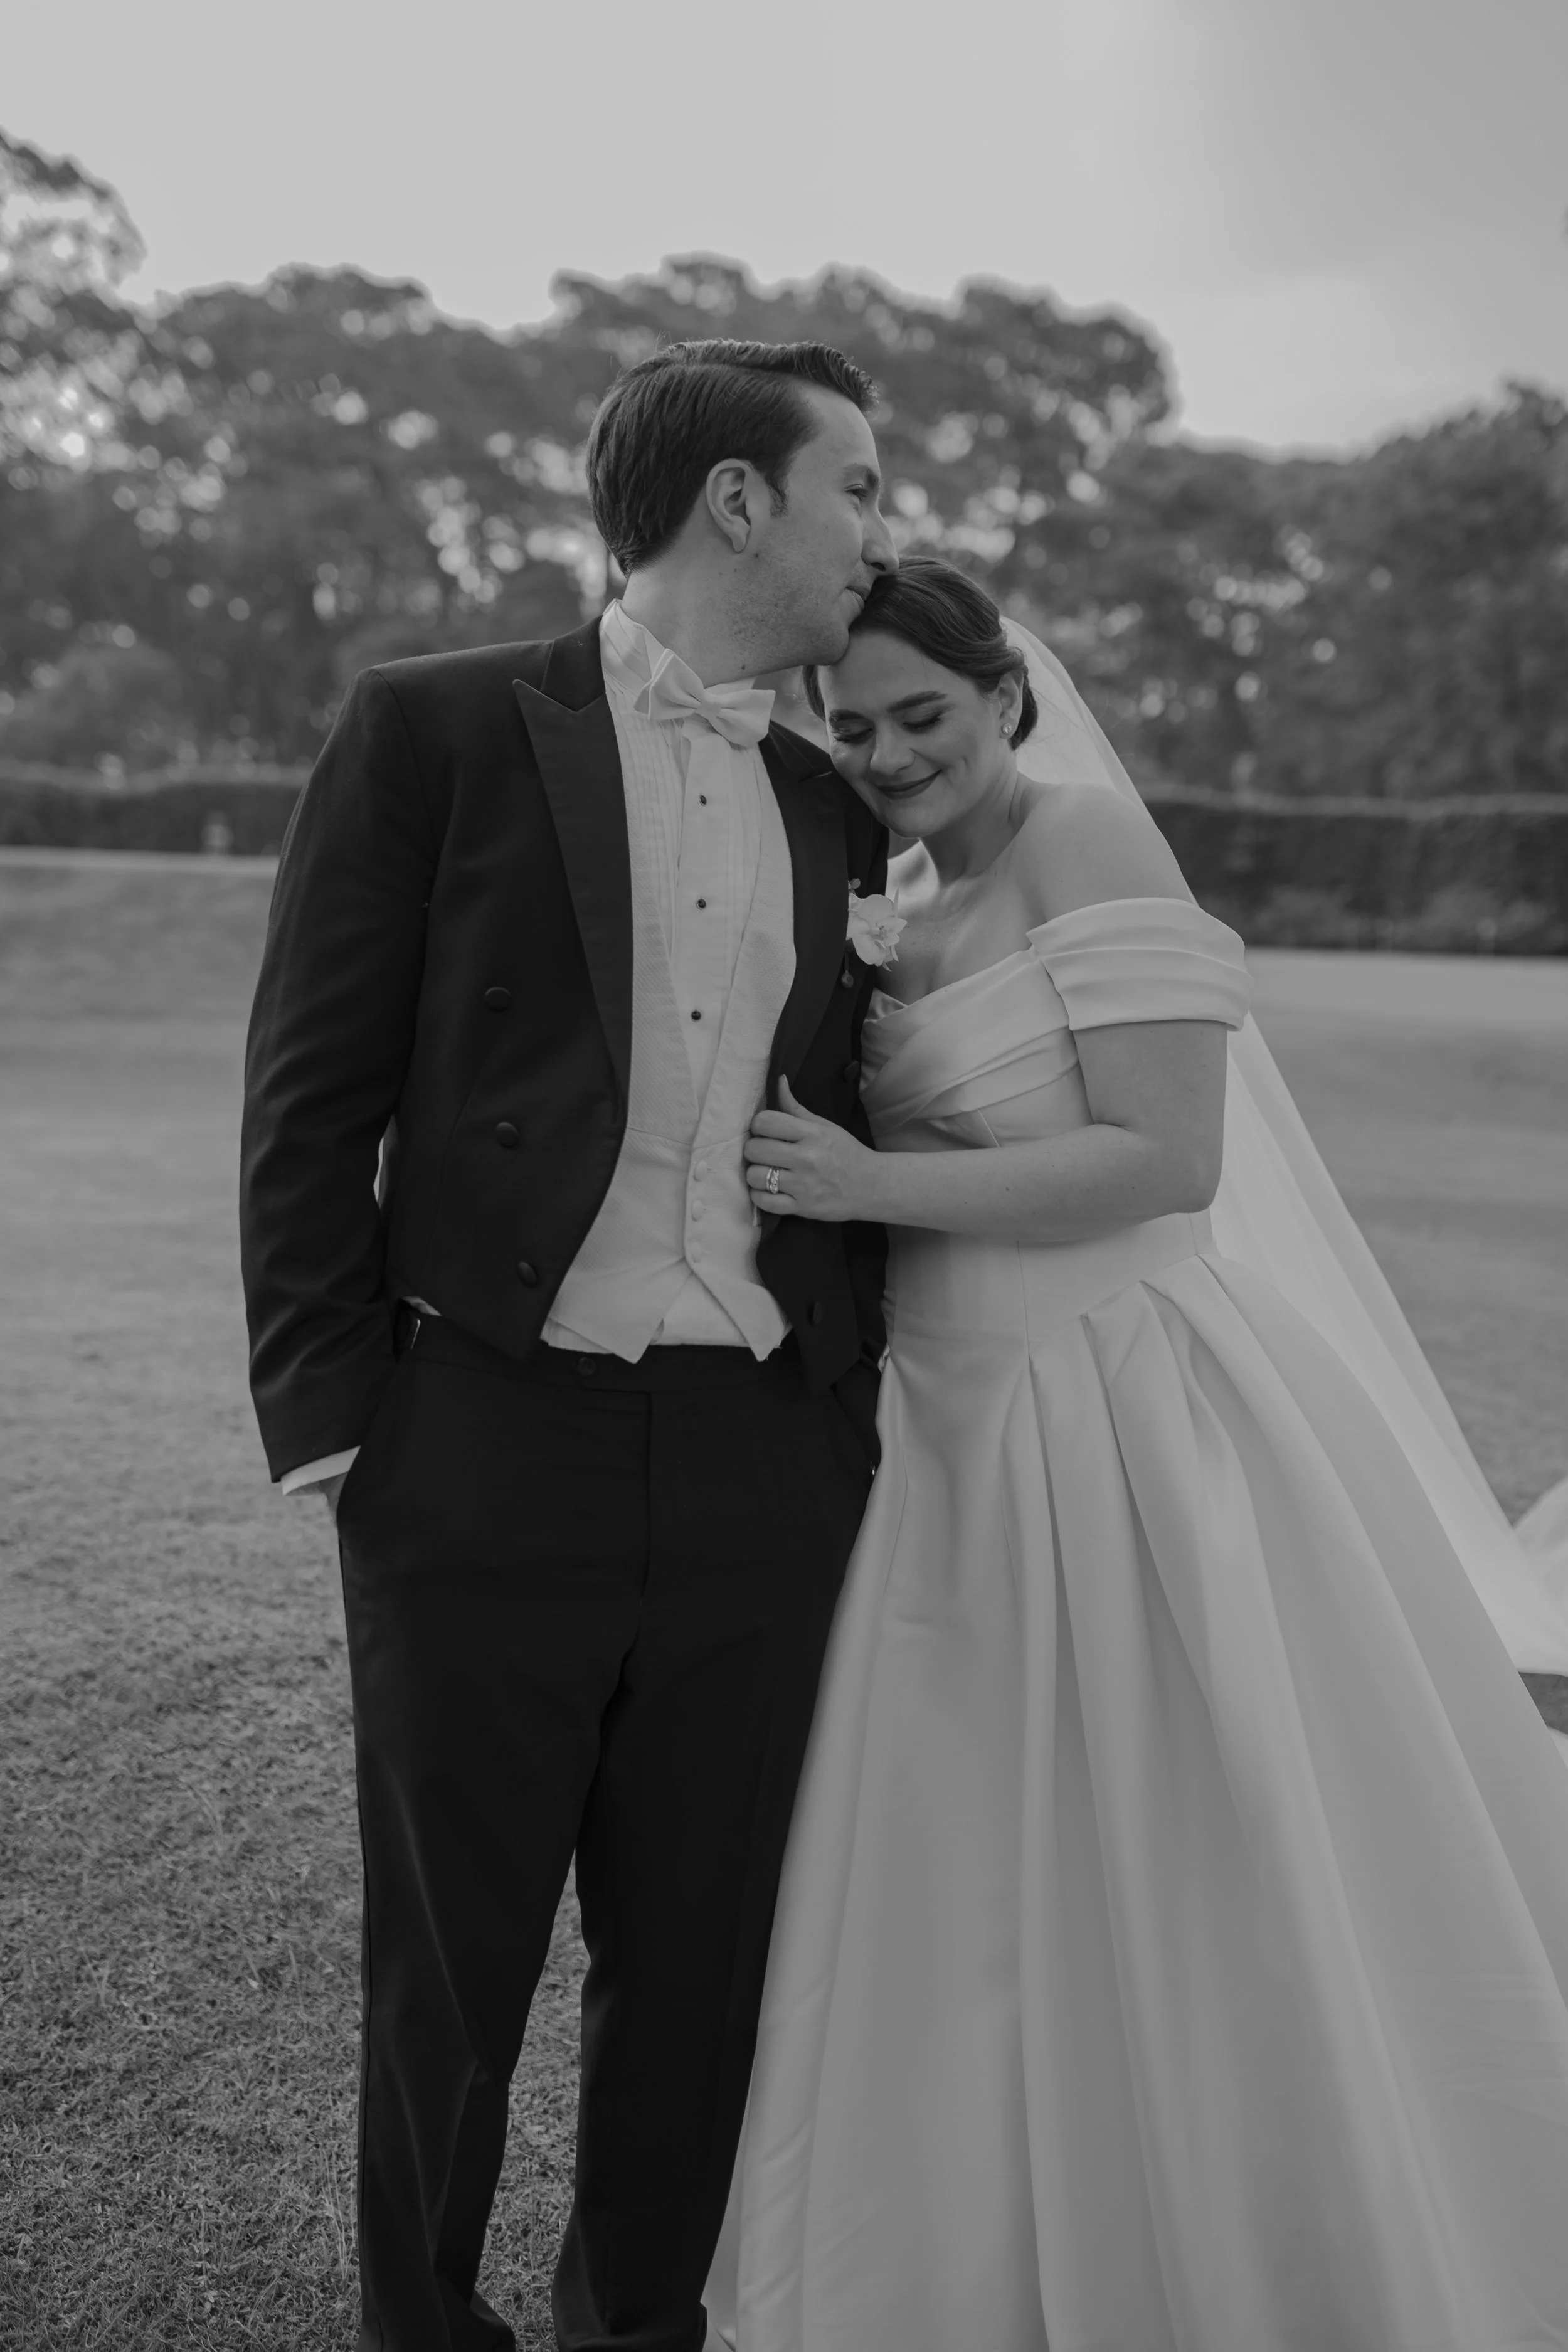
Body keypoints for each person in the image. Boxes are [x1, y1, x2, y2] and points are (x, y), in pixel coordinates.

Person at [711, 556, 1568, 2350]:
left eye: (921, 715)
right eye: (848, 725)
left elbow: (1162, 1156)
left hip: (1109, 1404)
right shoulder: (893, 886)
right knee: (957, 1856)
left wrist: (869, 1180)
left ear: (1006, 692)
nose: (884, 754)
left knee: (1198, 1832)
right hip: (935, 1431)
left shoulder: (1088, 841)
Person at [239, 337, 898, 2352]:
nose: (885, 533)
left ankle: (638, 2328)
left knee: (697, 1961)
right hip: (481, 1441)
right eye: (857, 487)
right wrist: (345, 1426)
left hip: (756, 1454)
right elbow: (306, 1091)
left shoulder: (833, 797)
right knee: (449, 1967)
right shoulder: (432, 728)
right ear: (736, 502)